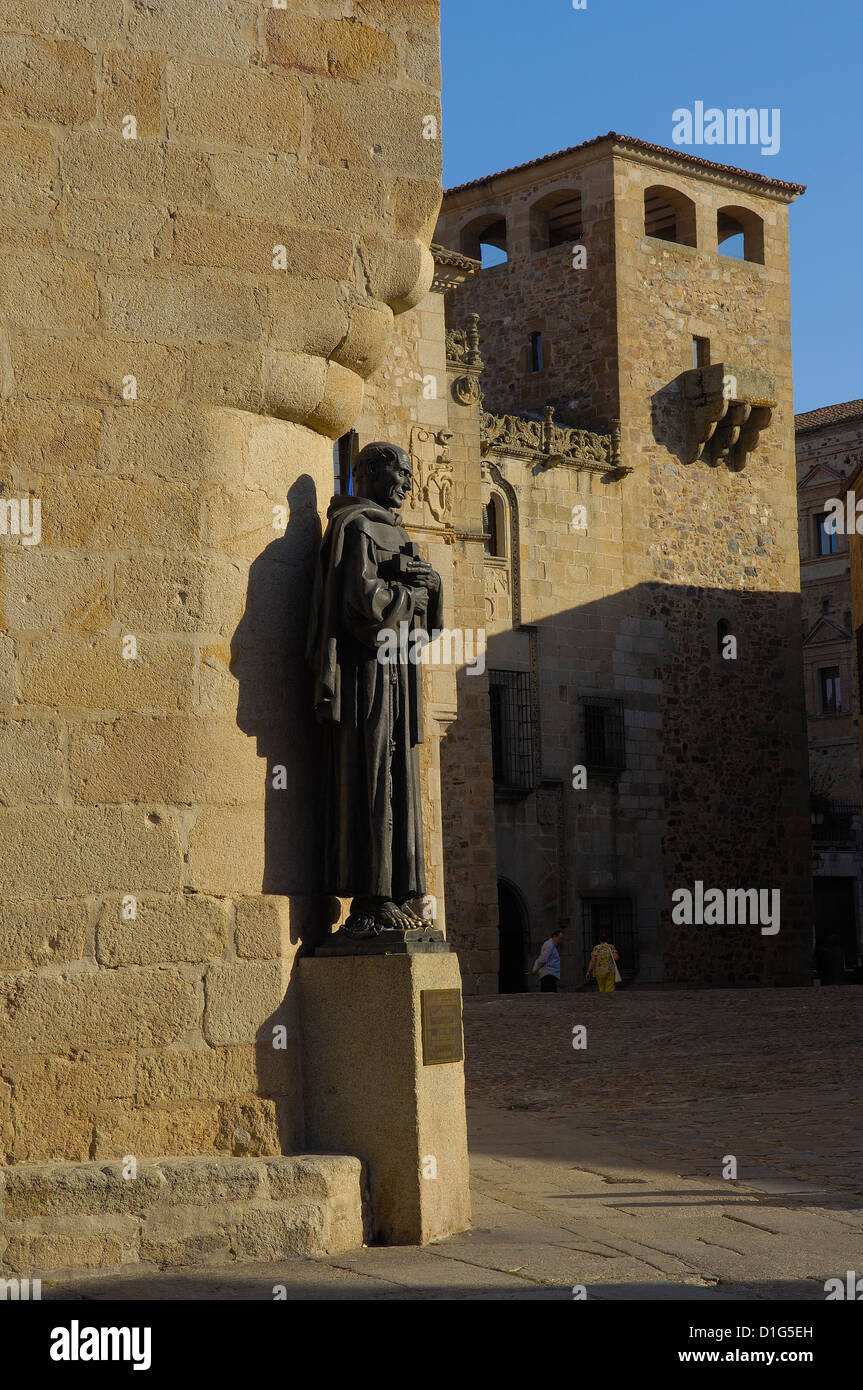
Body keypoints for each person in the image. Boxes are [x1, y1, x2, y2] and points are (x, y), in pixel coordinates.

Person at [306, 441, 443, 937]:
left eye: (409, 475)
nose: (407, 483)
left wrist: (433, 587)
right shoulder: (358, 526)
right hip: (367, 678)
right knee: (373, 776)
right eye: (401, 473)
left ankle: (400, 891)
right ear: (367, 473)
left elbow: (425, 624)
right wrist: (412, 593)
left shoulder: (394, 530)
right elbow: (361, 606)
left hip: (396, 675)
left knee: (399, 777)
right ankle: (371, 896)